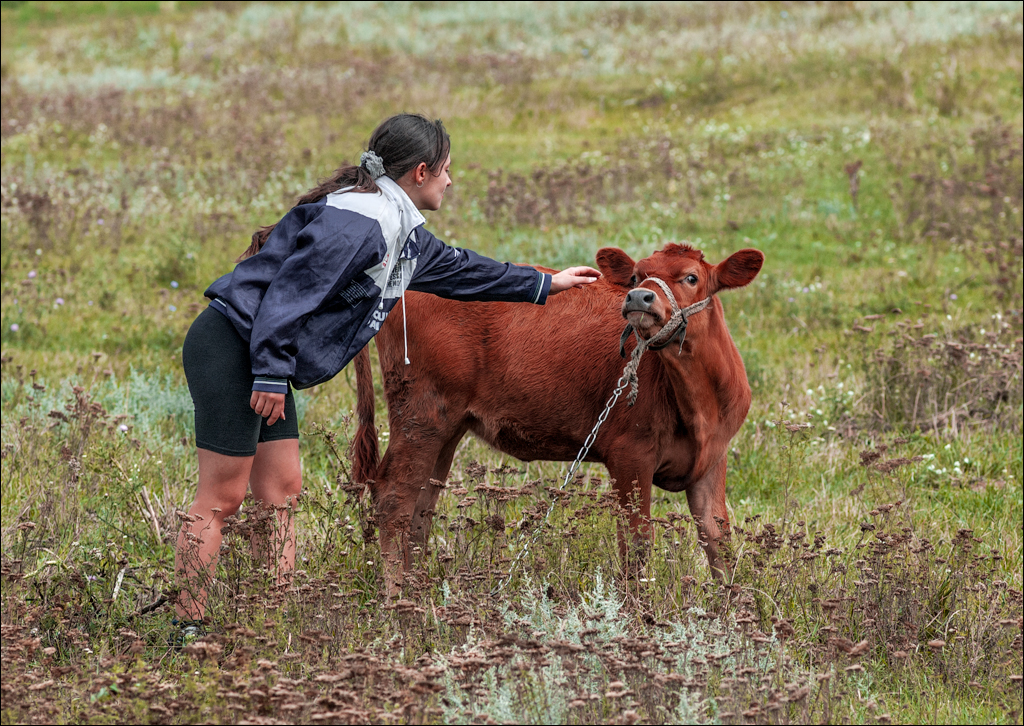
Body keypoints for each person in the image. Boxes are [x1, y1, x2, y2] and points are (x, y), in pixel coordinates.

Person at [173, 113, 600, 643]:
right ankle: (186, 627)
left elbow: (463, 270)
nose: (452, 181)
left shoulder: (397, 226)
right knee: (223, 496)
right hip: (236, 348)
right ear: (421, 172)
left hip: (261, 355)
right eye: (447, 170)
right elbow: (289, 295)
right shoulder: (362, 222)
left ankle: (272, 619)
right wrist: (268, 374)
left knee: (282, 490)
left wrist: (547, 283)